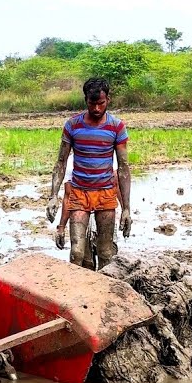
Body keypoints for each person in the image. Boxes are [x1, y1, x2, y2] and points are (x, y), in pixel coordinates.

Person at [46, 77, 132, 269]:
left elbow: (124, 168)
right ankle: (76, 294)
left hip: (106, 194)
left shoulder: (117, 126)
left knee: (106, 253)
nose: (96, 109)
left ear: (108, 99)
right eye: (92, 104)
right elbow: (60, 163)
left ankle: (104, 296)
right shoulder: (72, 125)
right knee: (76, 253)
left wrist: (126, 208)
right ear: (86, 100)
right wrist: (53, 196)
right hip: (79, 194)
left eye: (101, 103)